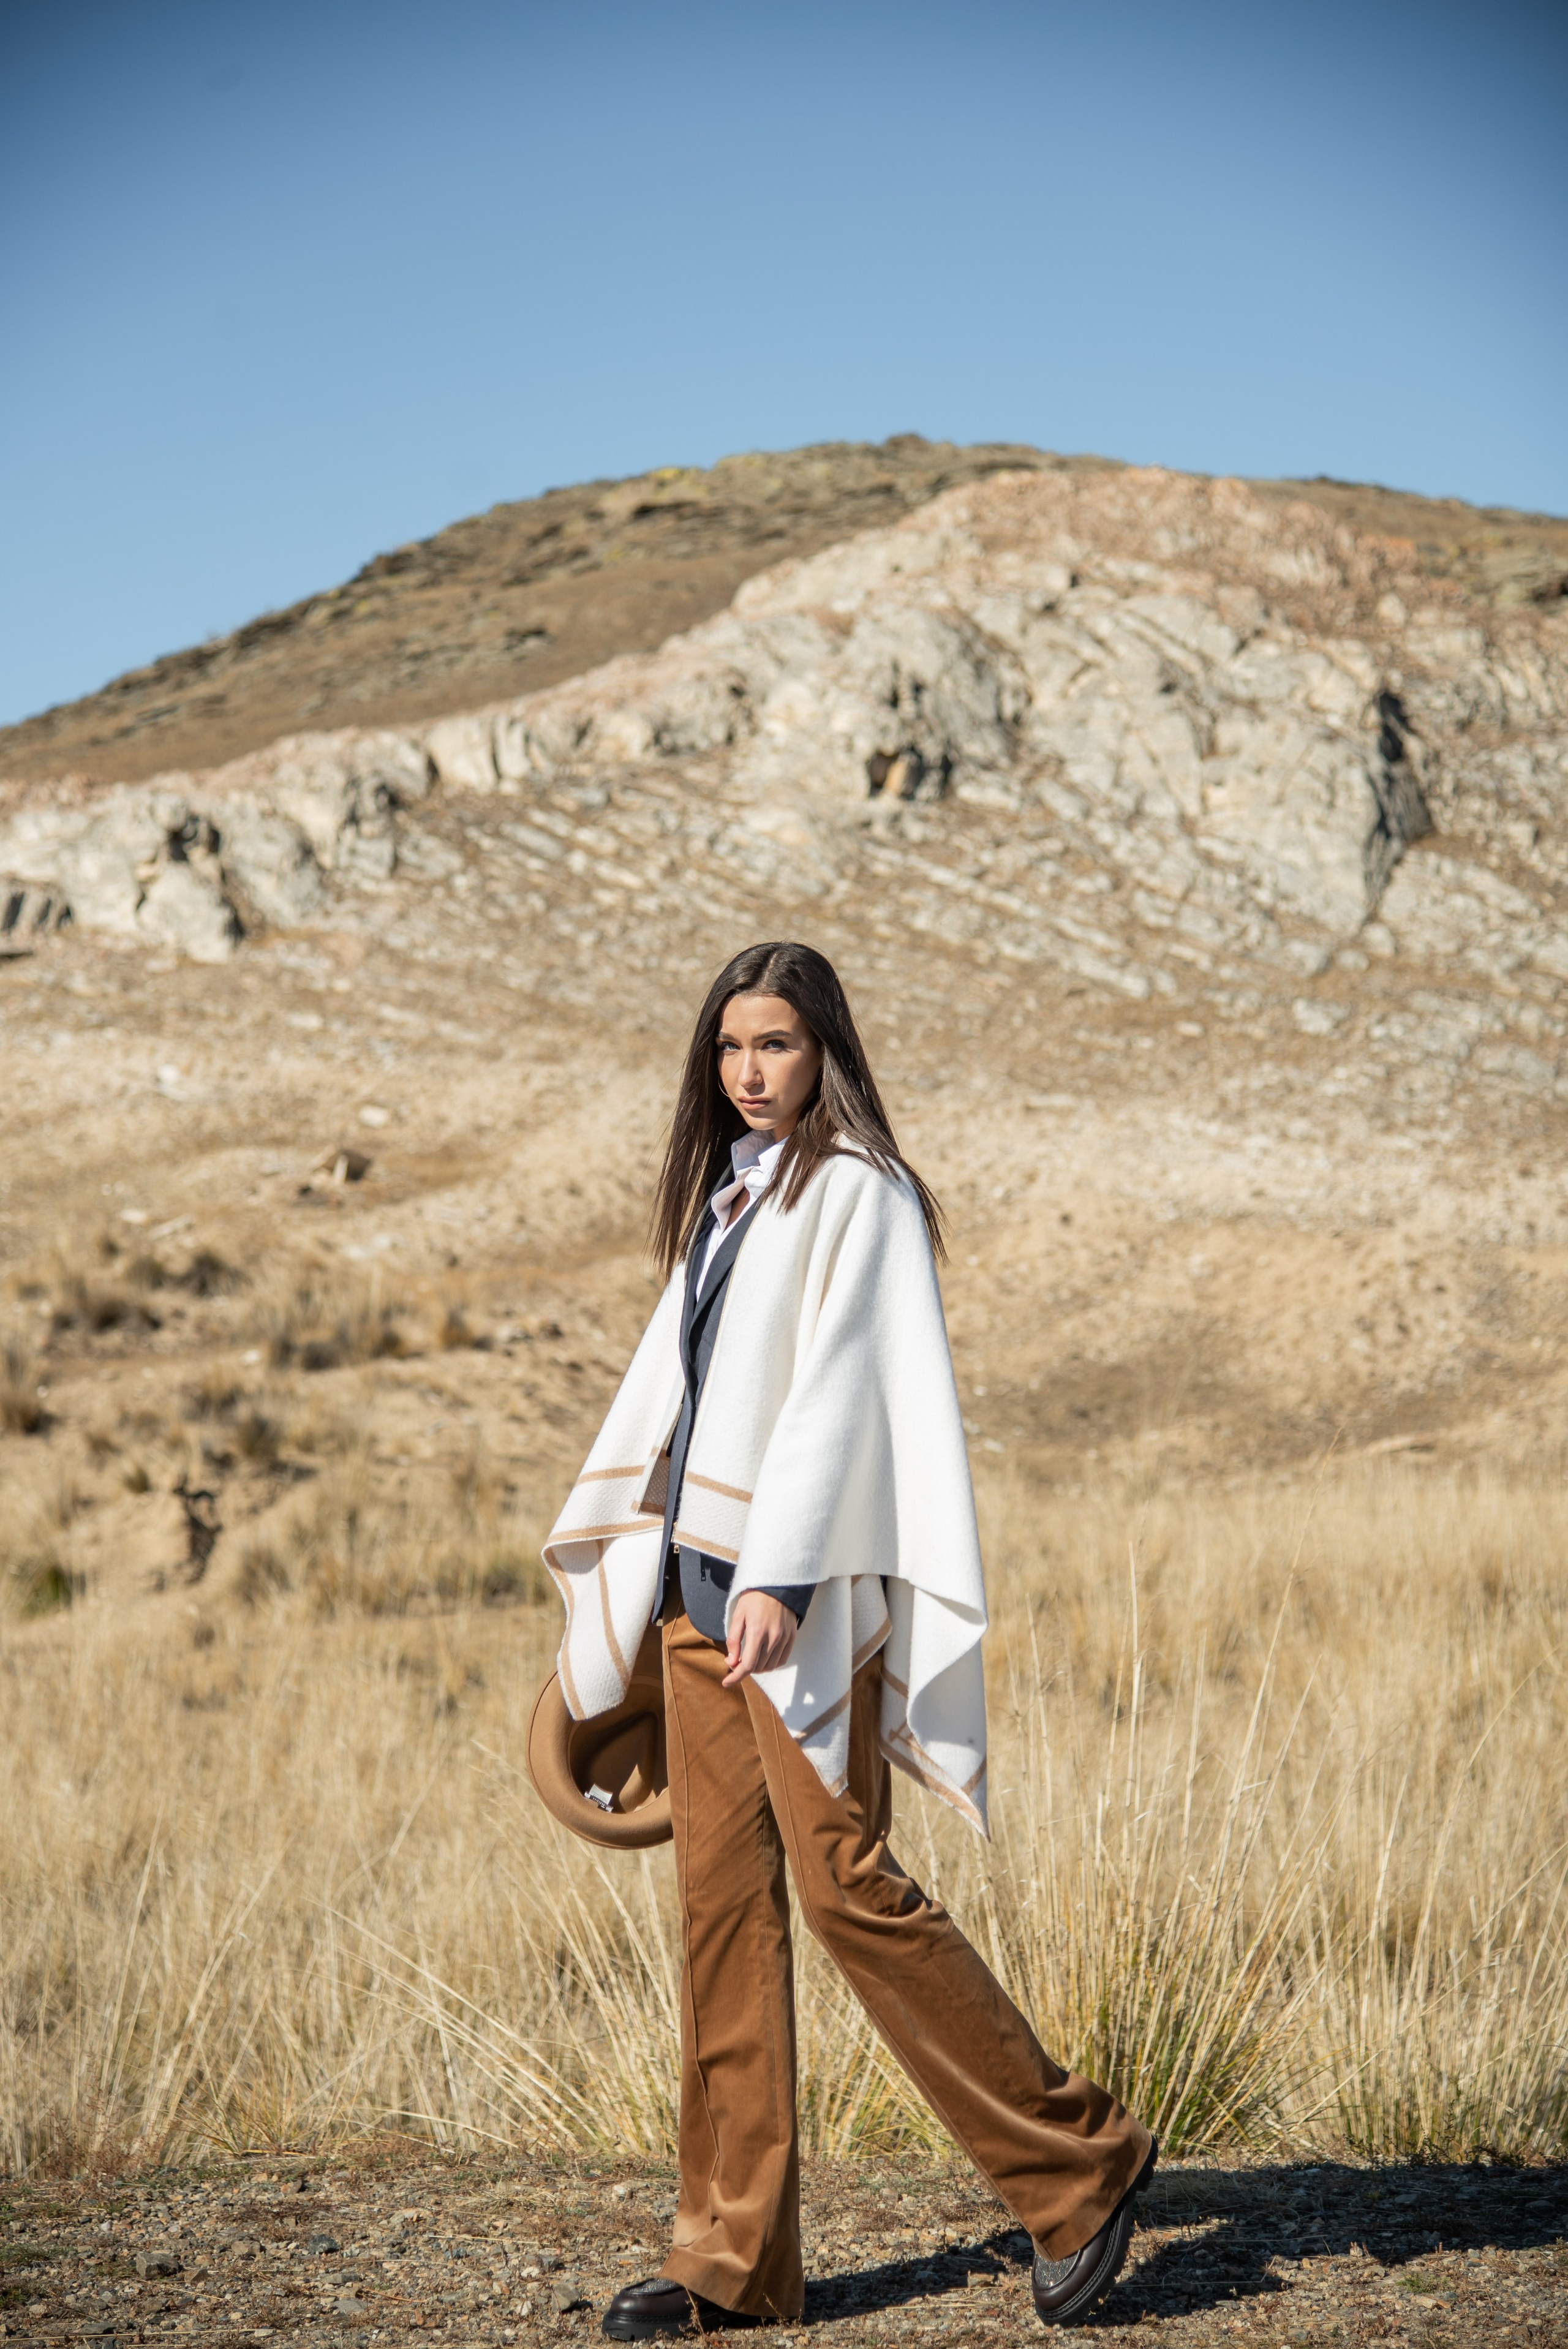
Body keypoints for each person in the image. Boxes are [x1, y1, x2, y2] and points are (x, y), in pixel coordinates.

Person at [541, 941, 1155, 2340]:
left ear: (824, 1050)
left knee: (845, 1891)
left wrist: (784, 1573)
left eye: (775, 1044)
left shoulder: (859, 1193)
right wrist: (644, 1590)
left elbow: (843, 1397)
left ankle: (1079, 2164)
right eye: (729, 1047)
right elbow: (685, 1400)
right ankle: (730, 2261)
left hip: (790, 1606)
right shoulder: (731, 1198)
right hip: (696, 1608)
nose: (748, 1072)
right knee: (719, 1916)